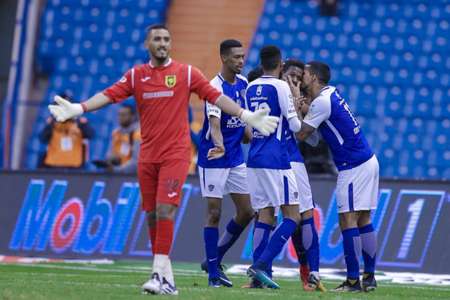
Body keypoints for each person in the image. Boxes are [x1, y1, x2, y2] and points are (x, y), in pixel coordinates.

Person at [47, 24, 279, 296]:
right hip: (148, 155)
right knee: (152, 215)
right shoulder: (136, 76)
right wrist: (79, 108)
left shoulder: (186, 73)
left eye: (167, 39)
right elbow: (110, 94)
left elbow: (215, 97)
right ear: (147, 44)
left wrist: (246, 116)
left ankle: (159, 275)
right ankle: (166, 276)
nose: (162, 43)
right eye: (157, 39)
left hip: (176, 153)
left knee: (166, 209)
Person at [295, 61, 379, 292]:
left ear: (313, 78)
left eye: (304, 74)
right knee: (363, 219)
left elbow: (303, 134)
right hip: (367, 160)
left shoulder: (321, 102)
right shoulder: (330, 96)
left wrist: (292, 112)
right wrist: (305, 111)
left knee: (347, 220)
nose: (301, 78)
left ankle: (353, 281)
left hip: (353, 165)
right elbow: (319, 129)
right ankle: (369, 278)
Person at [197, 39, 255, 288]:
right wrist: (219, 144)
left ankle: (214, 259)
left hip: (235, 157)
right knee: (214, 213)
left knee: (247, 211)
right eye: (236, 57)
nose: (241, 61)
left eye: (243, 57)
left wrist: (253, 134)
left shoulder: (244, 84)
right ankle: (213, 275)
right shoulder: (213, 87)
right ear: (223, 58)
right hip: (214, 157)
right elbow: (215, 124)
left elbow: (245, 125)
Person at [244, 46, 302, 289]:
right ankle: (261, 264)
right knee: (292, 216)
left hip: (254, 157)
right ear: (280, 65)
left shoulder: (249, 87)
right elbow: (296, 126)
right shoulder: (281, 87)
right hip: (277, 159)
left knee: (265, 215)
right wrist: (297, 103)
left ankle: (258, 280)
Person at [281, 59, 325, 292]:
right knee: (264, 216)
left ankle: (308, 270)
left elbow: (314, 139)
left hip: (290, 162)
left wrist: (300, 112)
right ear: (281, 73)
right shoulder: (270, 91)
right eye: (291, 75)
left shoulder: (303, 101)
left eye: (299, 77)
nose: (295, 80)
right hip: (270, 164)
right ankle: (260, 270)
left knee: (298, 219)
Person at [39, 94, 94, 169]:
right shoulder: (52, 124)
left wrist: (83, 124)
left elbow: (91, 135)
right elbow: (42, 139)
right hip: (54, 166)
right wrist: (49, 125)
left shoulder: (80, 124)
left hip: (74, 167)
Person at [95, 103, 140, 173]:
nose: (120, 117)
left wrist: (116, 170)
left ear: (133, 116)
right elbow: (110, 153)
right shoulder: (116, 133)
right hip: (117, 174)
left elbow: (136, 162)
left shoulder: (138, 134)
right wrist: (111, 159)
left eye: (124, 115)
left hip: (131, 176)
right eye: (119, 114)